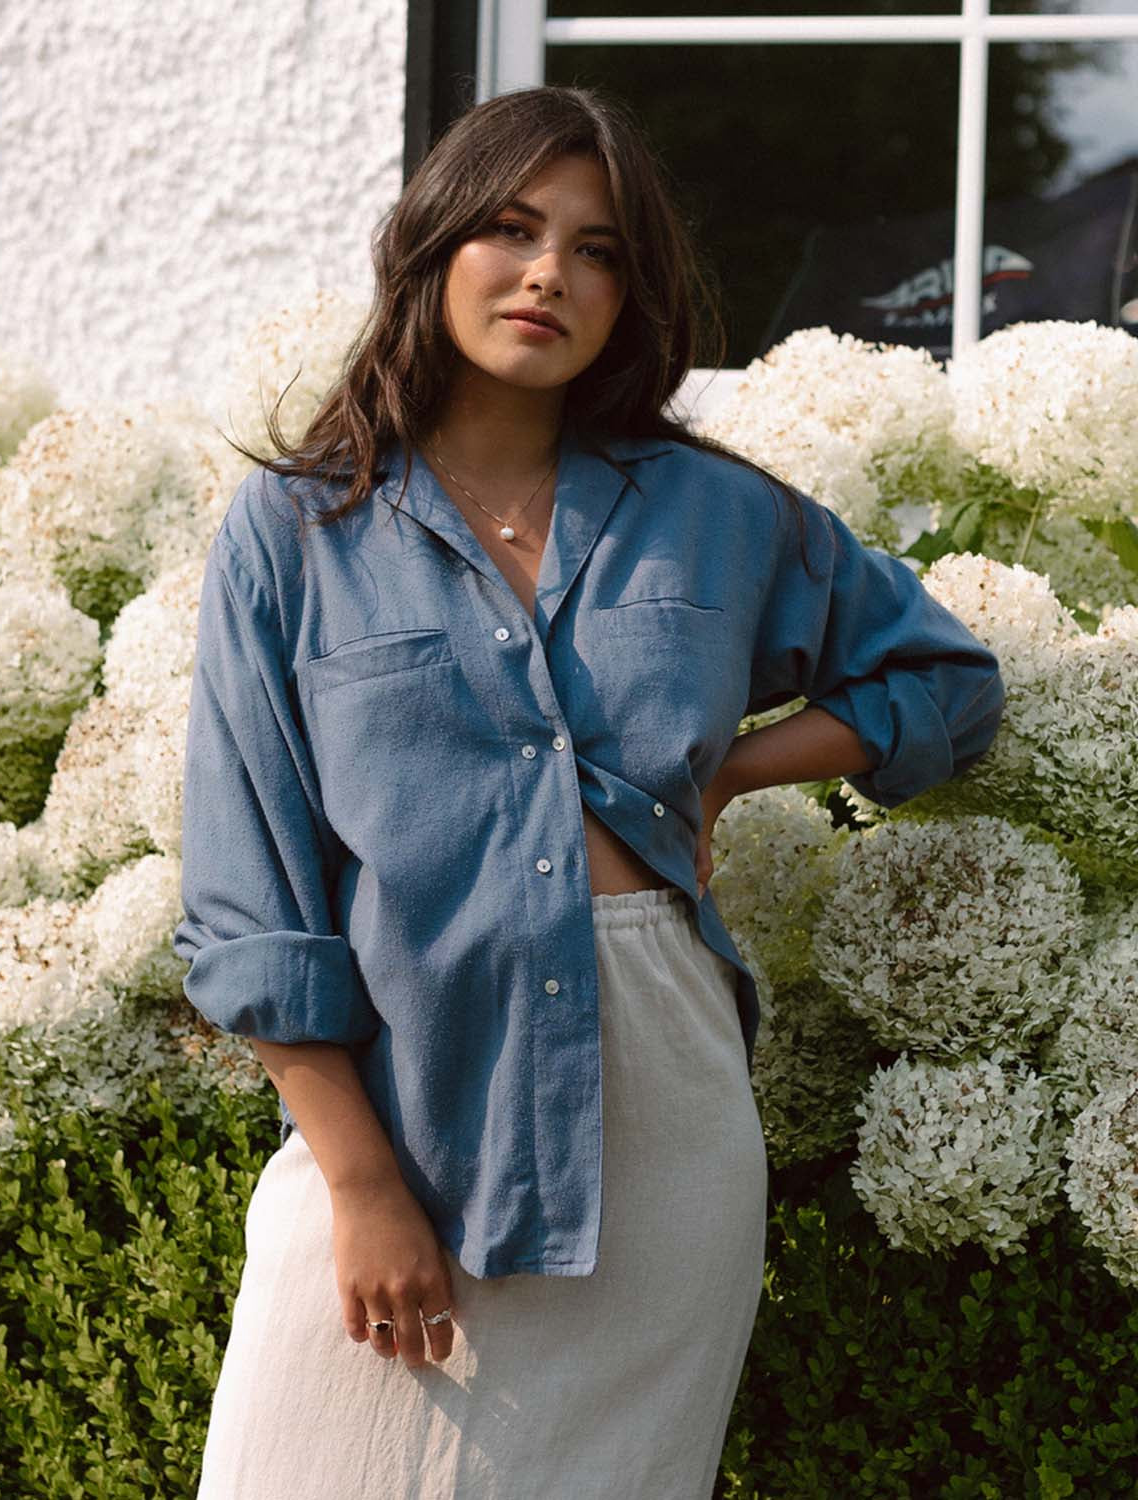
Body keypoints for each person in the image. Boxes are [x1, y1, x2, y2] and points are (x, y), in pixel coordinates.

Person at [173, 84, 1005, 1500]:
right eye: (511, 226)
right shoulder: (297, 530)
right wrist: (362, 1189)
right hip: (404, 1111)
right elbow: (249, 896)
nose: (552, 270)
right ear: (433, 247)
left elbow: (944, 685)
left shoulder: (718, 514)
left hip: (661, 1119)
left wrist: (732, 765)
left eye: (600, 247)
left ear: (636, 293)